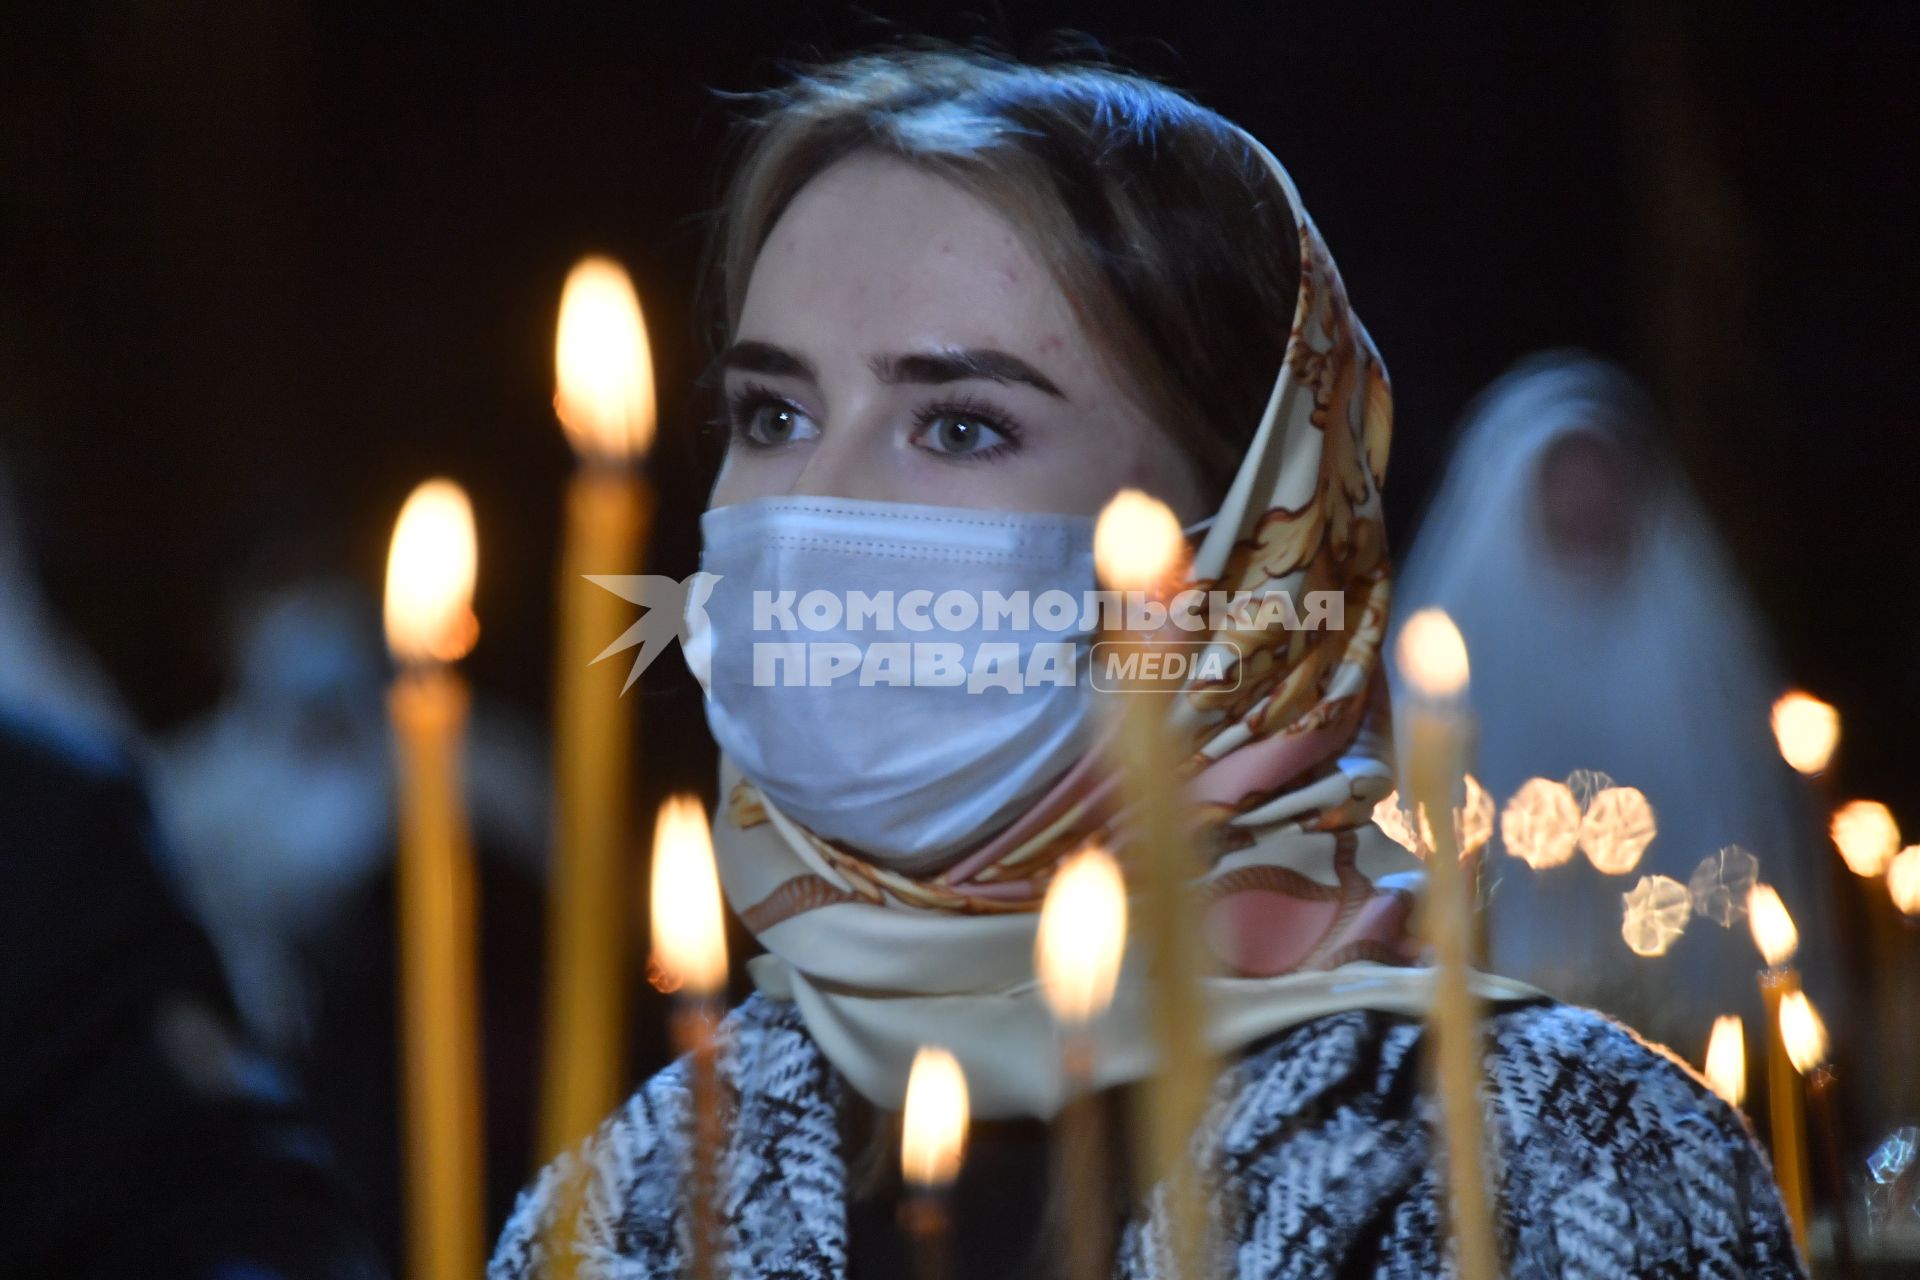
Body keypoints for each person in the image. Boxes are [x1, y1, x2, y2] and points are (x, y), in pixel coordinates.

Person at [492, 45, 1802, 1278]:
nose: (808, 511)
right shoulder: (627, 1197)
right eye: (774, 413)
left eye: (959, 425)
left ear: (1243, 534)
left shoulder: (1560, 1163)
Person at [1384, 353, 1838, 1055]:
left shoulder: (1687, 643)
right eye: (1567, 474)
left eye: (1605, 472)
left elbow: (1733, 840)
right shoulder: (1458, 650)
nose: (1589, 496)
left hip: (1679, 1028)